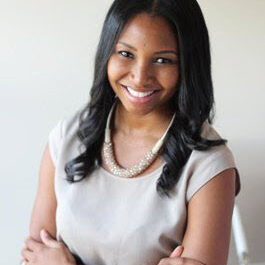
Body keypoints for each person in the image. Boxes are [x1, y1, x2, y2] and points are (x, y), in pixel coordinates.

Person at [21, 0, 241, 264]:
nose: (139, 77)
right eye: (126, 54)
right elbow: (33, 257)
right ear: (107, 52)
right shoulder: (68, 137)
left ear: (188, 65)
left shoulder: (210, 165)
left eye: (162, 60)